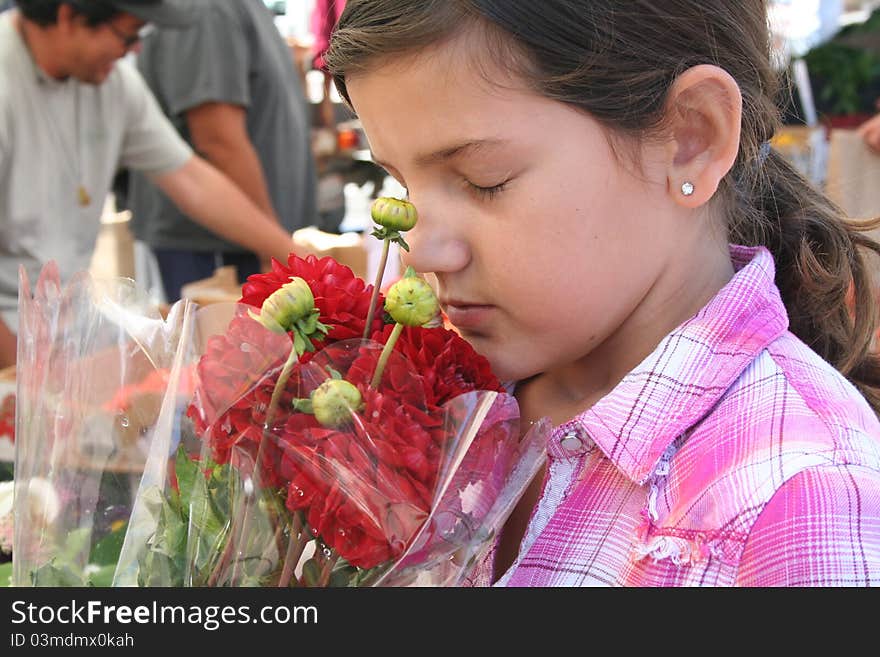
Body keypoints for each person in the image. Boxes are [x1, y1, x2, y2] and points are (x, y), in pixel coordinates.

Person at [326, 0, 880, 586]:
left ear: (691, 137)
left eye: (484, 179)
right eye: (402, 183)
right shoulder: (440, 395)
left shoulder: (800, 497)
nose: (422, 250)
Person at [0, 0, 303, 369]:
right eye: (127, 36)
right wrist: (23, 378)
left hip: (69, 325)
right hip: (11, 334)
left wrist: (290, 255)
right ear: (68, 17)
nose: (135, 50)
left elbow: (191, 179)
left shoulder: (113, 85)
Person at [127, 0, 319, 302]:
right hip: (216, 242)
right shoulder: (210, 8)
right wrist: (274, 246)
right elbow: (217, 139)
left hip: (251, 235)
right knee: (226, 345)